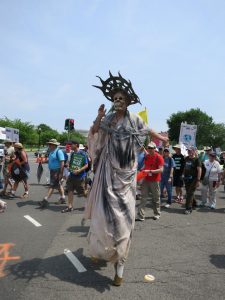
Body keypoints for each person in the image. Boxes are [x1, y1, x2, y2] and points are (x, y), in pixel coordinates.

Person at [83, 72, 168, 286]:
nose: (118, 101)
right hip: (106, 174)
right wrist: (100, 116)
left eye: (121, 98)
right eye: (115, 98)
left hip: (126, 176)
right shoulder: (109, 118)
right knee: (101, 217)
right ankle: (98, 250)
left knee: (123, 222)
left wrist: (160, 137)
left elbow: (146, 129)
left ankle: (119, 266)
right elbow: (94, 133)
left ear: (128, 101)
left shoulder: (135, 119)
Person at [137, 142, 164, 220]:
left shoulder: (159, 157)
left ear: (155, 149)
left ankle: (157, 214)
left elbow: (161, 169)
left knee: (156, 198)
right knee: (143, 197)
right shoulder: (147, 156)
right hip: (146, 179)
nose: (149, 149)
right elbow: (145, 166)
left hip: (155, 180)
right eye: (149, 147)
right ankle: (141, 216)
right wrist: (141, 171)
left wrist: (150, 171)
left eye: (151, 148)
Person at [61, 141, 88, 213]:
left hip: (80, 177)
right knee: (70, 190)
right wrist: (68, 166)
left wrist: (79, 170)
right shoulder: (72, 154)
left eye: (71, 144)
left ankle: (92, 201)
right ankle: (70, 206)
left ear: (76, 145)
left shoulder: (82, 153)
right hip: (72, 176)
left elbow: (86, 165)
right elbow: (69, 163)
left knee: (82, 193)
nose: (70, 146)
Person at [38, 139, 65, 209]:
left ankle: (45, 199)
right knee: (58, 185)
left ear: (54, 145)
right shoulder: (51, 152)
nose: (49, 145)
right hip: (52, 171)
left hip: (57, 171)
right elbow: (50, 160)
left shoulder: (59, 152)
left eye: (50, 144)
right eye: (49, 144)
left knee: (52, 185)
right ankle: (63, 198)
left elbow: (62, 162)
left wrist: (61, 173)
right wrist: (44, 161)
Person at [183, 146, 202, 214]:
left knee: (189, 193)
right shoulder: (186, 158)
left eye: (190, 151)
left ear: (194, 151)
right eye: (188, 151)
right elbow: (185, 168)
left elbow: (199, 170)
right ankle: (195, 204)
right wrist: (183, 175)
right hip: (186, 178)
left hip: (194, 179)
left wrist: (198, 180)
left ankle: (188, 208)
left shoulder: (197, 159)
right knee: (189, 192)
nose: (189, 152)